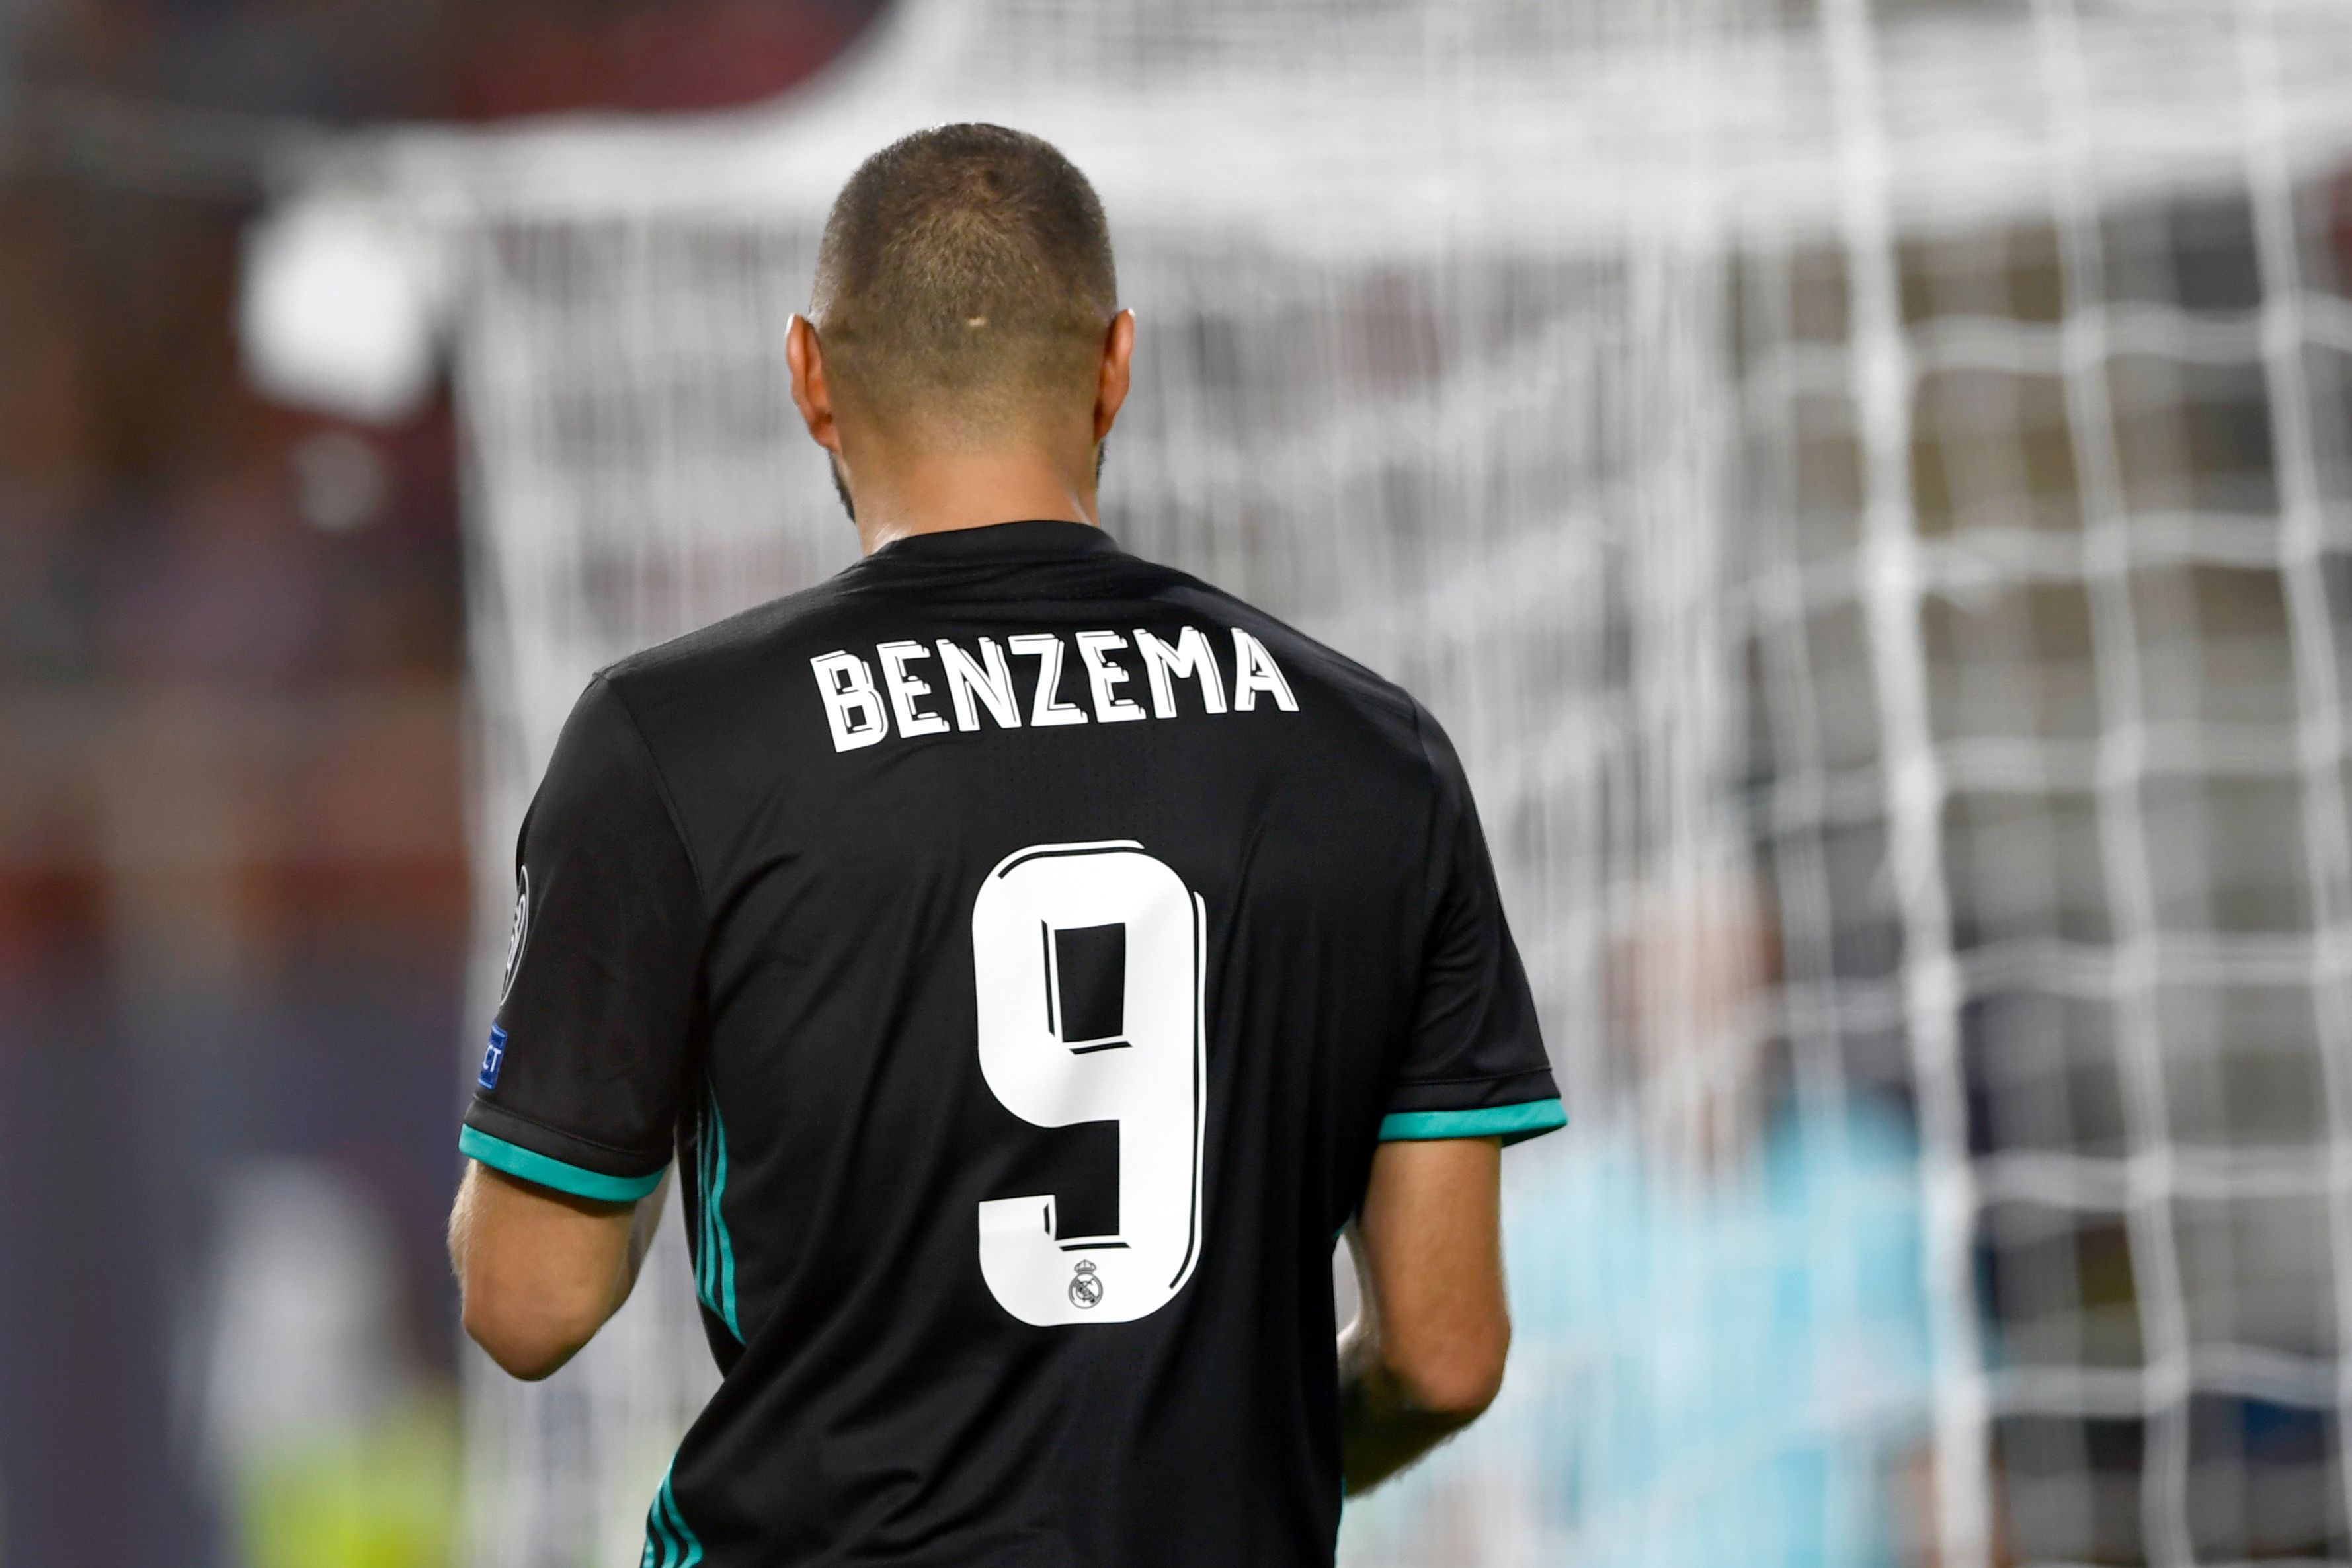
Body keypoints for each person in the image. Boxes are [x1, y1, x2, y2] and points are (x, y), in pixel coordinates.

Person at [444, 122, 1562, 1567]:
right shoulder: (1372, 750)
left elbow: (527, 1305)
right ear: (1115, 368)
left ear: (807, 375)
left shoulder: (676, 742)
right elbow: (1448, 1348)